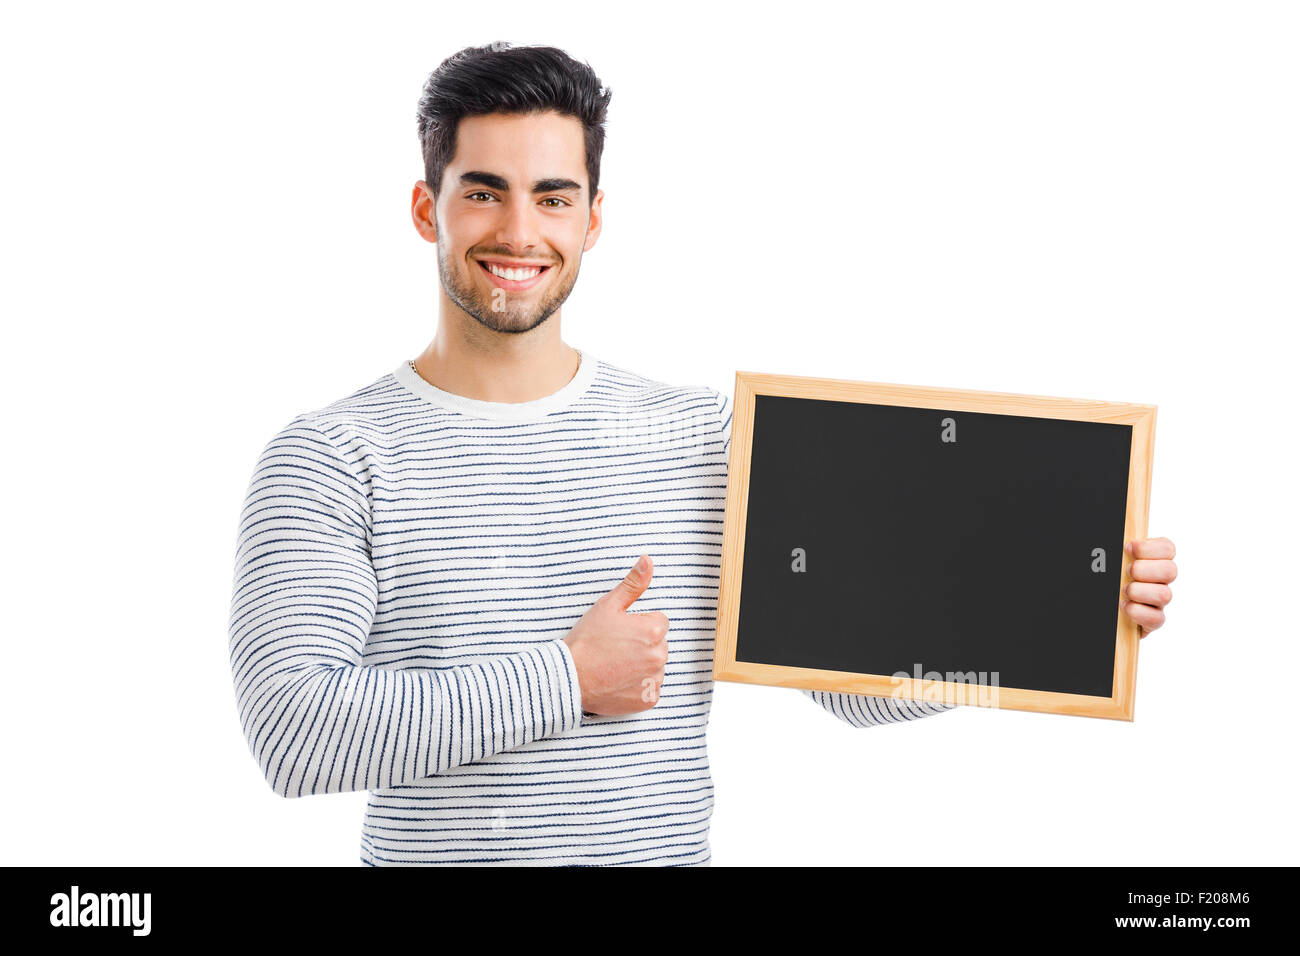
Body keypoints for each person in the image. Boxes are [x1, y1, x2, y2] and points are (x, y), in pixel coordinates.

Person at [227, 42, 1178, 866]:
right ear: (426, 209)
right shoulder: (329, 457)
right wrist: (566, 677)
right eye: (485, 192)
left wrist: (1053, 615)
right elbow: (294, 737)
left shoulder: (700, 438)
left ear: (592, 220)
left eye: (553, 197)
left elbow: (845, 690)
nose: (520, 232)